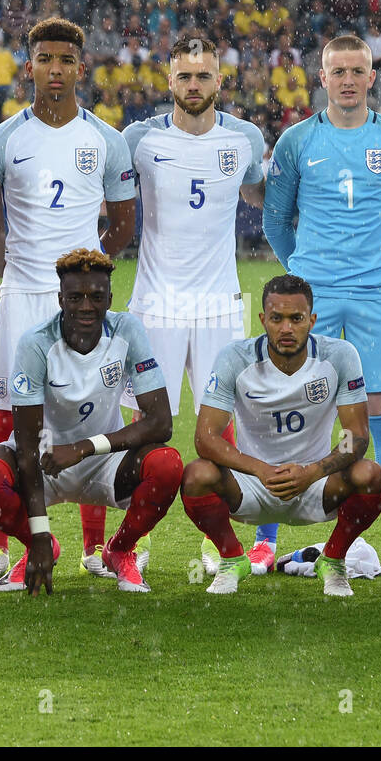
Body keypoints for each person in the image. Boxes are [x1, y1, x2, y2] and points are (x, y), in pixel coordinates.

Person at [0, 17, 138, 584]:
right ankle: (1, 548)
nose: (56, 70)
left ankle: (93, 547)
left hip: (82, 300)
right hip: (22, 295)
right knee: (9, 418)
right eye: (45, 59)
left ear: (81, 68)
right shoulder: (2, 139)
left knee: (92, 411)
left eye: (66, 60)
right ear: (29, 66)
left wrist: (86, 271)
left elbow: (123, 225)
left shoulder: (106, 140)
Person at [262, 34, 381, 575]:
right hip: (312, 302)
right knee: (285, 412)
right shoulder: (295, 142)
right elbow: (275, 219)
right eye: (337, 71)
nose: (347, 80)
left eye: (357, 71)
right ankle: (266, 539)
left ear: (370, 77)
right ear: (322, 78)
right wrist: (305, 279)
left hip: (377, 302)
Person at [0, 249, 182, 594]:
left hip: (103, 460)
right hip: (42, 457)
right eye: (75, 297)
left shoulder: (127, 330)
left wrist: (83, 448)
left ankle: (119, 550)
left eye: (96, 297)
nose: (86, 306)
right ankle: (43, 547)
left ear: (110, 298)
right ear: (60, 299)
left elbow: (161, 423)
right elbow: (25, 443)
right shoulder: (36, 343)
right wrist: (38, 535)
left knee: (167, 465)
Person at [180, 275, 381, 597]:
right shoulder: (235, 357)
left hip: (316, 483)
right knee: (196, 475)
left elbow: (356, 437)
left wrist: (313, 471)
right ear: (263, 319)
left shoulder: (340, 355)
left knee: (370, 475)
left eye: (296, 319)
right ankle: (232, 559)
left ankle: (333, 560)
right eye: (277, 319)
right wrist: (261, 469)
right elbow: (206, 438)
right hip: (252, 483)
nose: (286, 328)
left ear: (312, 320)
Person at [122, 31, 265, 464]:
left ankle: (222, 531)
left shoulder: (245, 140)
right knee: (141, 427)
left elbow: (259, 195)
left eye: (203, 76)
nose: (193, 85)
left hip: (219, 304)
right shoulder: (138, 140)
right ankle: (133, 534)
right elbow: (110, 202)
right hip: (154, 303)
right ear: (169, 80)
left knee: (222, 430)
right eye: (184, 76)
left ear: (220, 81)